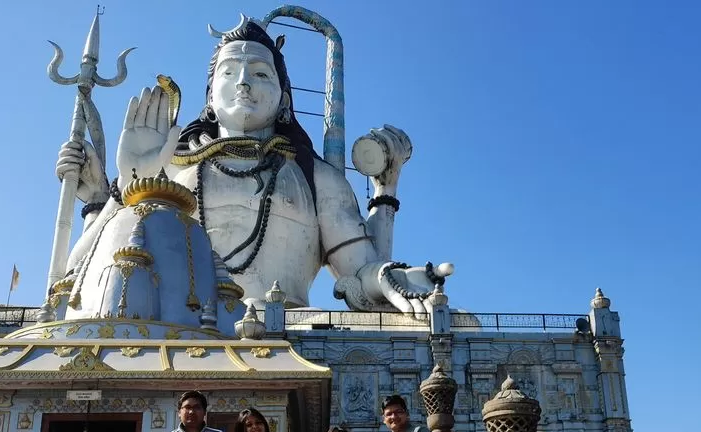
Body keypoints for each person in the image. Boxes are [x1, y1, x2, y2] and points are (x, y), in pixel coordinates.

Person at [57, 19, 449, 315]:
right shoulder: (170, 167)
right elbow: (72, 281)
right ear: (210, 95)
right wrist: (116, 191)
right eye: (230, 73)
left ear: (284, 99)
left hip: (284, 330)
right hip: (177, 332)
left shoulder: (317, 179)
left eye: (261, 74)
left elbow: (362, 278)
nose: (244, 83)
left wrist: (394, 265)